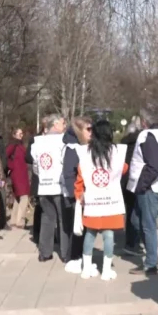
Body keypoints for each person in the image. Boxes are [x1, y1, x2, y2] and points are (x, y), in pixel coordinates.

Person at [75, 120, 128, 280]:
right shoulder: (116, 152)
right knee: (109, 235)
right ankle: (106, 270)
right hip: (111, 200)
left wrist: (79, 195)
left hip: (92, 200)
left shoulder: (85, 152)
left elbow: (80, 174)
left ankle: (86, 269)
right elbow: (124, 169)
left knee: (90, 234)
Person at [127, 114, 158, 275]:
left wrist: (143, 185)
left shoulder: (148, 136)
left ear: (144, 122)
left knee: (147, 224)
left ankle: (151, 262)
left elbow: (154, 166)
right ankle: (152, 256)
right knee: (136, 221)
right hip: (147, 186)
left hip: (147, 188)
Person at [31, 114, 68, 262]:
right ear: (55, 125)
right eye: (63, 123)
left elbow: (35, 167)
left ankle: (45, 252)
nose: (65, 126)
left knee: (47, 219)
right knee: (62, 219)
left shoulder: (37, 143)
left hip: (44, 186)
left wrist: (43, 177)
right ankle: (66, 253)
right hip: (59, 186)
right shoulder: (63, 142)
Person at [62, 116, 92, 272]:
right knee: (77, 228)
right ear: (79, 130)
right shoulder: (72, 148)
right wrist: (77, 195)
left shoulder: (82, 146)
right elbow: (68, 174)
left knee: (83, 228)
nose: (91, 132)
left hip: (84, 194)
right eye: (88, 129)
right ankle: (74, 258)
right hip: (76, 195)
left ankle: (80, 256)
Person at [120, 121, 141, 256]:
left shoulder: (122, 143)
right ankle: (136, 241)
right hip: (136, 179)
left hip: (124, 180)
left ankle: (129, 241)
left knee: (128, 211)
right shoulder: (140, 143)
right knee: (137, 212)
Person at [26, 121, 47, 243]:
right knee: (40, 208)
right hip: (39, 178)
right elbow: (27, 157)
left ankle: (50, 234)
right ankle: (37, 234)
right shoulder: (35, 140)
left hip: (54, 180)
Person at [7, 128, 31, 229]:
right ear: (14, 134)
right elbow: (6, 156)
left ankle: (13, 220)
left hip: (22, 173)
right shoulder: (13, 145)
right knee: (24, 197)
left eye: (22, 133)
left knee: (18, 197)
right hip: (17, 174)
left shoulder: (20, 145)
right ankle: (20, 221)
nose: (21, 135)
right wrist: (11, 167)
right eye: (19, 133)